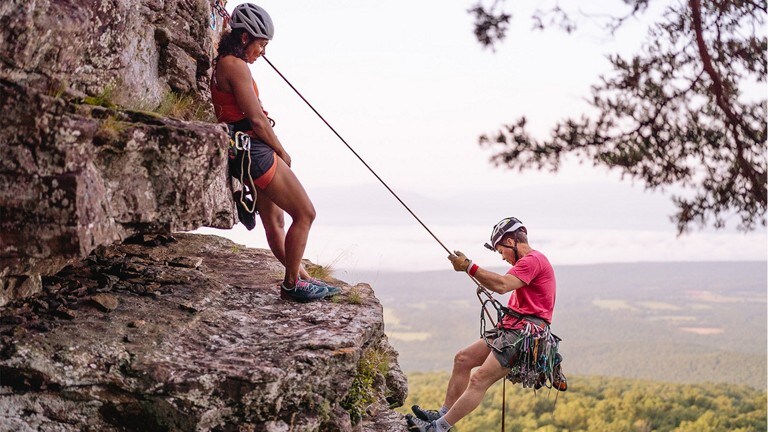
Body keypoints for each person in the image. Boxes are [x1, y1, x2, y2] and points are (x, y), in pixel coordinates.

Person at [211, 3, 340, 302]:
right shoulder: (235, 65)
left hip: (244, 150)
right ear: (245, 39)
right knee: (305, 213)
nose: (263, 52)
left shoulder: (225, 63)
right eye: (261, 44)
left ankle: (301, 278)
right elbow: (255, 119)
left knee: (276, 223)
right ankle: (292, 285)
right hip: (256, 149)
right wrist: (281, 150)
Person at [405, 217, 565, 432]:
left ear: (511, 241)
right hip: (512, 327)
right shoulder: (528, 263)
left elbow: (502, 285)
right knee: (463, 359)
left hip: (524, 332)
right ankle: (444, 412)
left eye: (501, 251)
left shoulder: (532, 260)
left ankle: (439, 427)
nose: (503, 257)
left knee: (479, 379)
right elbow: (504, 285)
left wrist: (469, 267)